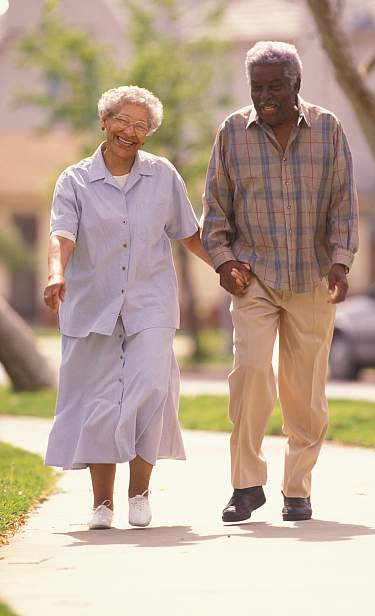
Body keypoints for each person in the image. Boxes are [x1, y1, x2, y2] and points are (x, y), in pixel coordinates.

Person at [43, 85, 246, 530]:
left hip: (149, 304)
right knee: (99, 402)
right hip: (92, 306)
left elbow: (188, 232)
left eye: (141, 125)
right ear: (104, 121)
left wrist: (224, 266)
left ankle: (139, 492)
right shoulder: (74, 180)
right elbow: (62, 235)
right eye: (123, 121)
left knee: (151, 389)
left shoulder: (162, 175)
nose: (130, 132)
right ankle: (102, 504)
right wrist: (57, 273)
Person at [202, 41, 359, 522]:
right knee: (249, 373)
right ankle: (247, 486)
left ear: (297, 85)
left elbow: (342, 202)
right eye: (256, 88)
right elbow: (215, 209)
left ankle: (298, 488)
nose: (265, 97)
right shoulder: (231, 132)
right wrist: (225, 262)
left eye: (274, 87)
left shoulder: (329, 128)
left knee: (305, 389)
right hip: (255, 277)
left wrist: (341, 260)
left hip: (313, 275)